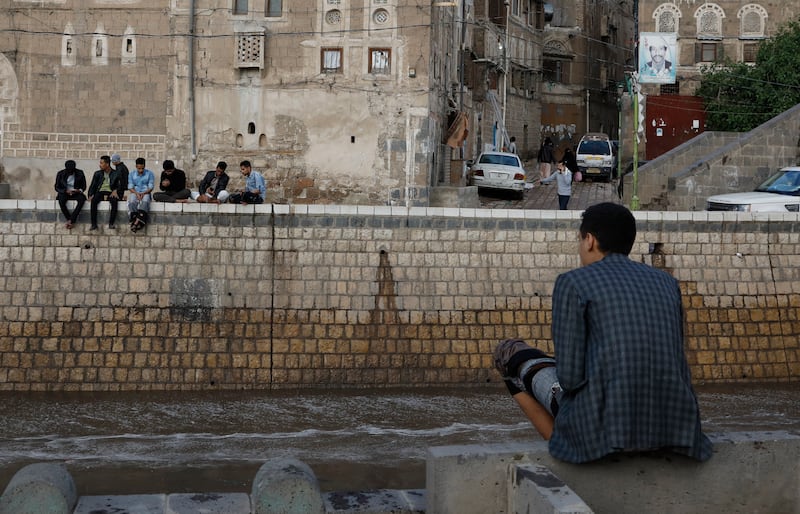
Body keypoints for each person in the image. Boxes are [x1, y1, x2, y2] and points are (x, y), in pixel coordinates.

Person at [493, 202, 712, 464]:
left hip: (605, 429)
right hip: (676, 427)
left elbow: (571, 379)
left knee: (511, 356)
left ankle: (564, 444)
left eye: (579, 239)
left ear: (590, 240)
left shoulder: (573, 282)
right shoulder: (667, 283)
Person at [88, 155, 126, 230]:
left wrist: (116, 191)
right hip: (100, 192)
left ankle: (111, 223)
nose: (100, 165)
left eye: (102, 163)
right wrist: (90, 195)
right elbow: (93, 185)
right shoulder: (97, 173)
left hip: (111, 192)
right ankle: (94, 224)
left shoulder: (116, 173)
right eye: (100, 163)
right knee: (94, 201)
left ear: (107, 164)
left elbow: (121, 185)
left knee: (114, 201)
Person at [54, 160, 87, 230]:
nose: (70, 172)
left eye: (71, 171)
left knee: (82, 199)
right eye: (68, 171)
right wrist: (65, 191)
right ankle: (70, 219)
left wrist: (79, 190)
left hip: (76, 193)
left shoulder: (80, 173)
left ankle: (71, 220)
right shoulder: (60, 174)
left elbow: (84, 186)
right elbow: (57, 187)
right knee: (61, 201)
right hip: (65, 192)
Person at [127, 157, 155, 232]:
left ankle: (135, 223)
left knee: (145, 201)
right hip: (134, 192)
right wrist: (136, 193)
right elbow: (130, 186)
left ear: (144, 166)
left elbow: (151, 187)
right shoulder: (131, 174)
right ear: (136, 167)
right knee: (132, 200)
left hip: (146, 192)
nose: (141, 170)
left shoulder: (150, 174)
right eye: (139, 168)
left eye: (142, 168)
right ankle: (137, 221)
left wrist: (144, 193)